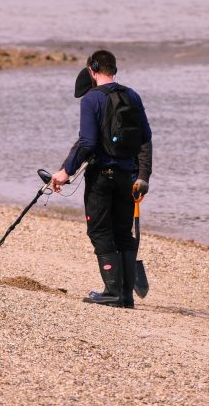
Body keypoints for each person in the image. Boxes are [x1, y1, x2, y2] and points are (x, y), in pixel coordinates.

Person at [50, 50, 152, 308]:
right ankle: (125, 296)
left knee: (99, 230)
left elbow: (87, 142)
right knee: (123, 233)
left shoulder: (91, 99)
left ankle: (112, 291)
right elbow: (145, 138)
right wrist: (142, 176)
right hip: (127, 178)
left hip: (102, 177)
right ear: (114, 69)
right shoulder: (132, 95)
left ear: (92, 70)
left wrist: (65, 172)